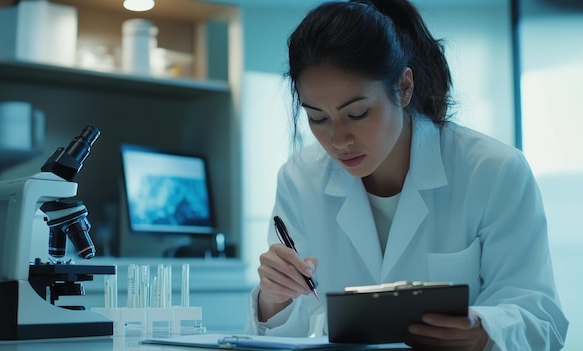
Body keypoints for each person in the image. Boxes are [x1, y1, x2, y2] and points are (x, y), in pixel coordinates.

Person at [244, 0, 569, 350]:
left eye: (357, 113)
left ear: (403, 88)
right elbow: (295, 330)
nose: (338, 140)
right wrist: (274, 298)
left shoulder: (493, 170)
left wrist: (485, 330)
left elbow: (542, 318)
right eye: (318, 119)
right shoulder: (300, 179)